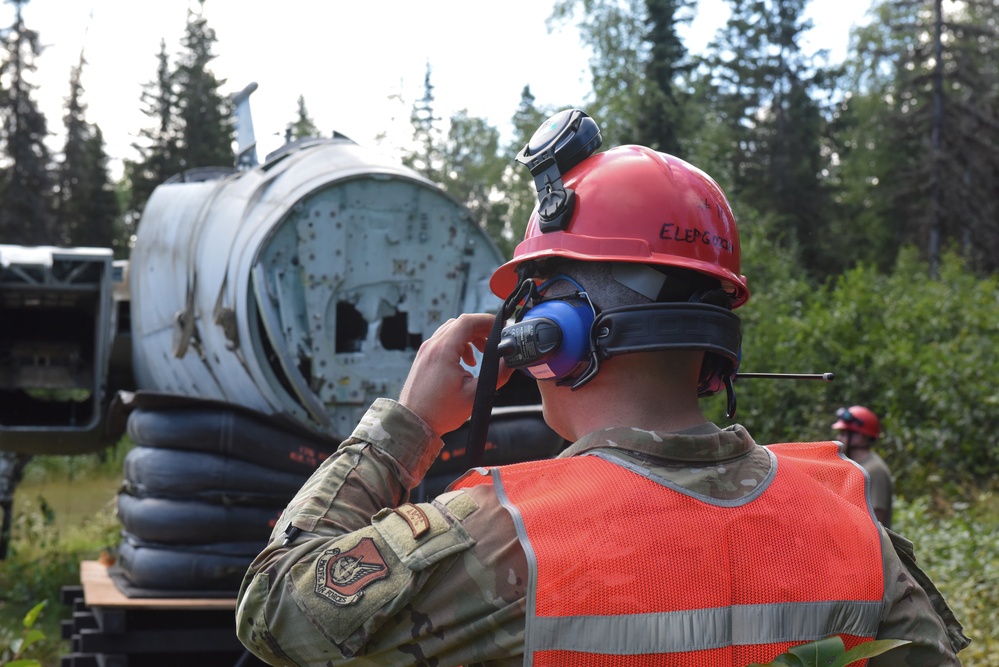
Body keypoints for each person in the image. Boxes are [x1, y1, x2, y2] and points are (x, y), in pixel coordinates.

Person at [235, 110, 969, 666]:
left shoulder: (504, 536)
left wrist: (409, 423)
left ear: (559, 330)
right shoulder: (852, 524)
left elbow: (277, 608)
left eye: (530, 304)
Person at [833, 405, 894, 528]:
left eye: (844, 434)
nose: (839, 438)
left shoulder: (874, 470)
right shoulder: (855, 466)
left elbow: (875, 519)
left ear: (860, 437)